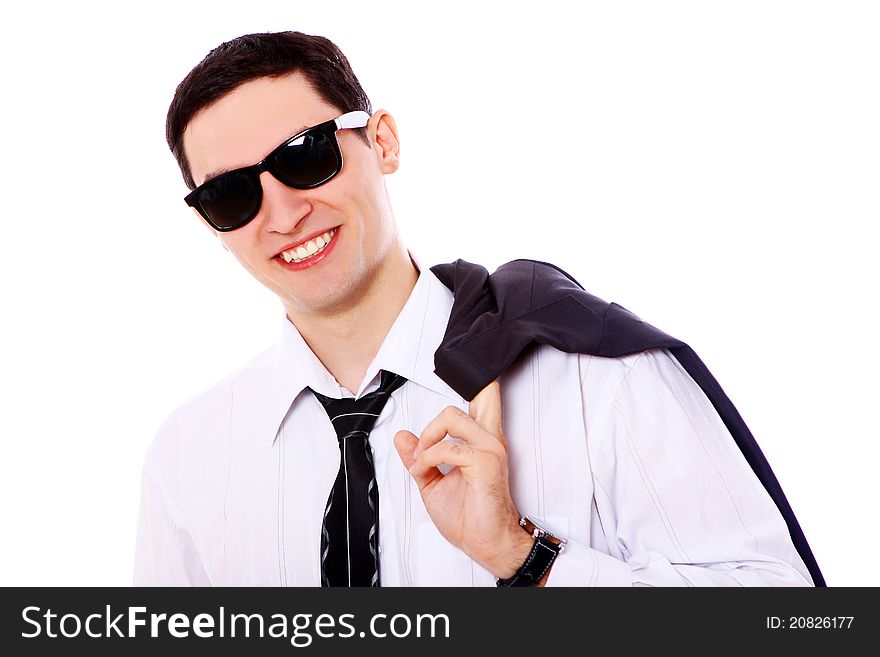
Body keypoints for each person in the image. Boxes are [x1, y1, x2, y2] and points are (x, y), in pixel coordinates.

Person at [134, 30, 816, 587]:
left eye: (306, 156)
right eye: (230, 195)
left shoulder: (593, 376)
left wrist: (527, 559)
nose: (282, 213)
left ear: (383, 142)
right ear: (211, 227)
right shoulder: (189, 456)